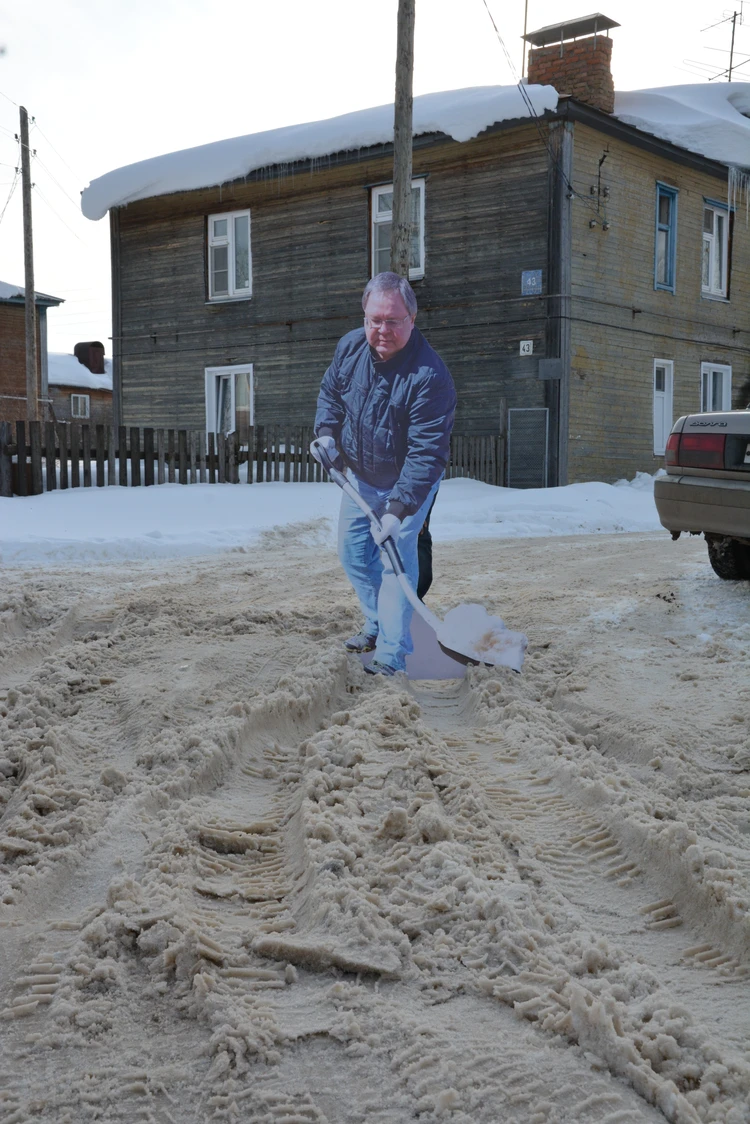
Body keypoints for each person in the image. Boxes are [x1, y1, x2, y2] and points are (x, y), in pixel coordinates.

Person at [312, 272, 456, 676]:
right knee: (354, 553)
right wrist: (326, 434)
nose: (382, 330)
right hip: (361, 474)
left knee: (396, 563)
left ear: (412, 318)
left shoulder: (429, 376)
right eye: (375, 319)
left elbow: (426, 453)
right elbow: (331, 394)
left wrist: (397, 510)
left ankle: (393, 655)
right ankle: (378, 623)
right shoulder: (350, 348)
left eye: (393, 320)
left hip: (408, 483)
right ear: (364, 317)